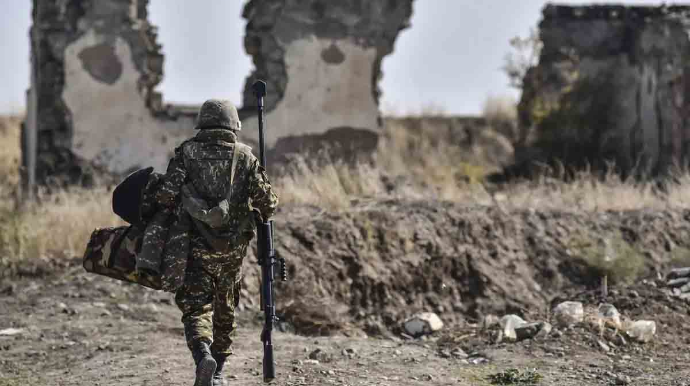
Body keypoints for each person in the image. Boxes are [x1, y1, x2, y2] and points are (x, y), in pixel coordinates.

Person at [155, 99, 279, 386]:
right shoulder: (245, 158)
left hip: (194, 249)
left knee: (196, 307)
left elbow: (165, 196)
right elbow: (268, 204)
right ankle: (219, 370)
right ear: (233, 125)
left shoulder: (186, 153)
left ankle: (203, 357)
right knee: (226, 308)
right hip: (231, 252)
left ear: (203, 123)